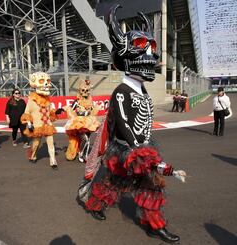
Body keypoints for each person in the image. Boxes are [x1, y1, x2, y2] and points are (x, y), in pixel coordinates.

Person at [78, 5, 187, 244]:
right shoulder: (121, 92)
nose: (152, 58)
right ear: (124, 60)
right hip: (127, 151)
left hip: (142, 149)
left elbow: (144, 123)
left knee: (137, 185)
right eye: (142, 51)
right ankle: (99, 205)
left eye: (152, 51)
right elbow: (125, 126)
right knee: (129, 183)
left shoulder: (143, 92)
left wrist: (147, 152)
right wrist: (144, 155)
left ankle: (151, 223)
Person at [20, 72, 59, 170]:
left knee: (51, 142)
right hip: (37, 126)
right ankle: (33, 156)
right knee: (36, 143)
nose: (46, 84)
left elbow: (51, 114)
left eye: (48, 81)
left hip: (47, 125)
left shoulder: (48, 101)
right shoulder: (31, 100)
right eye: (42, 81)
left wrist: (55, 112)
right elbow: (27, 113)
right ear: (34, 84)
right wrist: (29, 123)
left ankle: (53, 161)